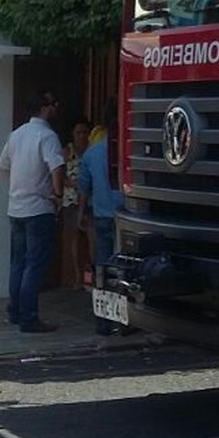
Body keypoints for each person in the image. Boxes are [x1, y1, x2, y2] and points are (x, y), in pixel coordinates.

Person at [0, 91, 65, 333]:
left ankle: (15, 312)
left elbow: (3, 165)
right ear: (45, 108)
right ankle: (29, 317)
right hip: (39, 208)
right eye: (54, 104)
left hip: (16, 207)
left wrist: (19, 186)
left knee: (18, 262)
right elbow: (56, 166)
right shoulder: (47, 136)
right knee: (34, 265)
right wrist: (57, 195)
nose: (56, 108)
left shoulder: (16, 135)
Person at [77, 100, 125, 335]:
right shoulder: (128, 149)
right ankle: (125, 321)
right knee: (126, 270)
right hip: (126, 217)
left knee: (103, 269)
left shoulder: (92, 152)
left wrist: (81, 213)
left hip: (102, 215)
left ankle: (103, 321)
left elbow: (84, 187)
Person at [60, 117, 92, 289]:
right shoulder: (67, 151)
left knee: (89, 240)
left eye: (84, 132)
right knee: (74, 239)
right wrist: (70, 183)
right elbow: (59, 174)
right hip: (71, 199)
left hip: (88, 200)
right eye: (78, 132)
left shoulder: (92, 151)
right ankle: (78, 277)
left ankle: (90, 278)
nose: (81, 136)